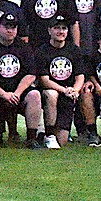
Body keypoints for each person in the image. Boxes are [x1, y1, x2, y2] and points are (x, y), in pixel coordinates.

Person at [0, 12, 44, 149]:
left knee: (34, 95)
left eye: (13, 27)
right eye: (6, 26)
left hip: (17, 93)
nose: (10, 30)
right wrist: (4, 94)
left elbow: (31, 74)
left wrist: (17, 93)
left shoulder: (23, 46)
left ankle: (32, 138)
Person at [35, 16, 85, 149]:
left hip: (68, 94)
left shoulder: (74, 50)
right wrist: (65, 90)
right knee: (51, 94)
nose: (61, 31)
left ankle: (45, 133)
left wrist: (75, 90)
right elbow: (44, 81)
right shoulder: (42, 51)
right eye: (56, 28)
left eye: (64, 28)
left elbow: (80, 76)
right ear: (49, 30)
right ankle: (49, 134)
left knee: (62, 141)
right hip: (51, 92)